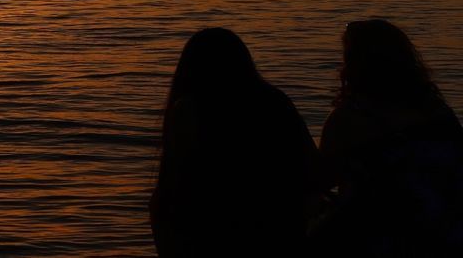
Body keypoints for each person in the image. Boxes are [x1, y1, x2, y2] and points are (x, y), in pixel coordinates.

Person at [150, 27, 321, 258]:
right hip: (279, 233)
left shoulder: (190, 110)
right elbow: (312, 168)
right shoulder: (275, 102)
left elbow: (172, 187)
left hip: (212, 237)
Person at [313, 19, 463, 255]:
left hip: (379, 235)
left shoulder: (350, 118)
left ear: (354, 63)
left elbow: (321, 180)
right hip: (445, 229)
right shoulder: (437, 110)